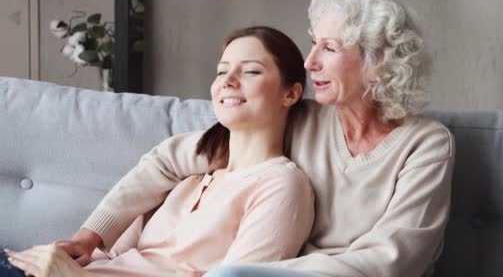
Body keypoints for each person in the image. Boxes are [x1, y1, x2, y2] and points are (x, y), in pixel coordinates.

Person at [18, 0, 455, 277]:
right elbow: (171, 159)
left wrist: (254, 272)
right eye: (312, 43)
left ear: (377, 63)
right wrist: (91, 235)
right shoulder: (301, 118)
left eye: (329, 47)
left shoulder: (424, 144)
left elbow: (396, 258)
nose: (310, 61)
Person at [5, 26, 315, 277]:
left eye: (251, 72)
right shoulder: (189, 177)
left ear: (290, 93)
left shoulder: (281, 185)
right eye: (221, 72)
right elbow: (109, 258)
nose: (228, 82)